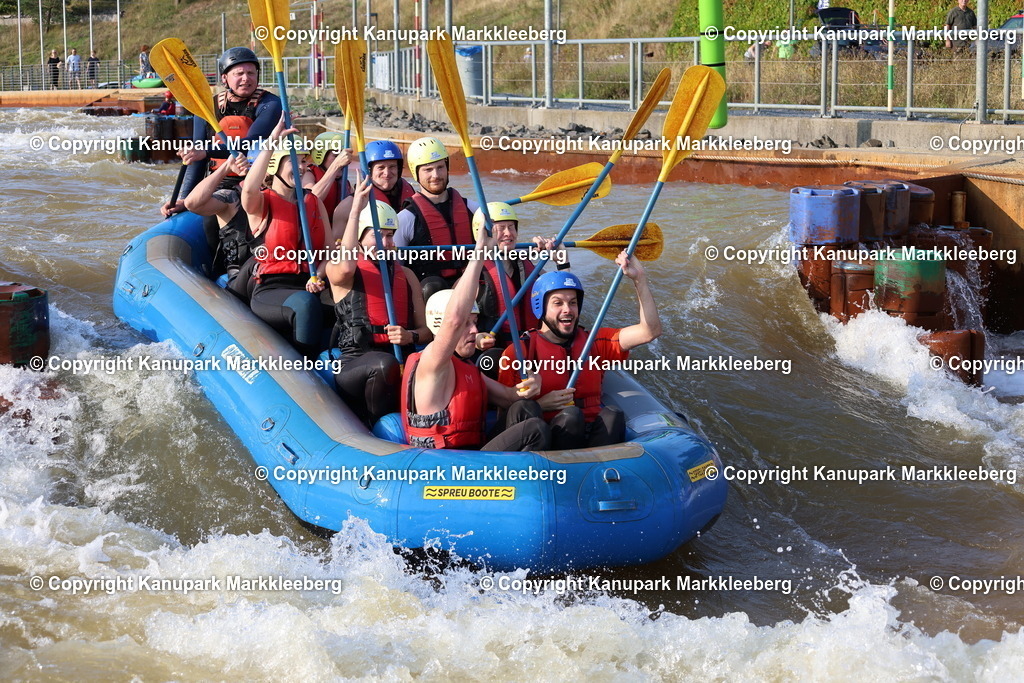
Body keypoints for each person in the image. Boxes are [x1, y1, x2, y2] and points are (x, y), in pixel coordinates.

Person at [401, 226, 550, 452]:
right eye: (466, 324)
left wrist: (533, 383)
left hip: (473, 455)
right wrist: (480, 253)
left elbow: (511, 397)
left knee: (524, 408)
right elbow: (453, 320)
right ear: (441, 326)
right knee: (535, 430)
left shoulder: (467, 369)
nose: (474, 330)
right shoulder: (432, 361)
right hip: (443, 463)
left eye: (475, 322)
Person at [498, 256, 662, 450]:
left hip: (589, 438)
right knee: (571, 417)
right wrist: (541, 405)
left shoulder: (595, 342)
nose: (568, 310)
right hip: (544, 441)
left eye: (573, 303)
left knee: (613, 415)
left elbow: (649, 331)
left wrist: (639, 279)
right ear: (540, 307)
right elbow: (506, 417)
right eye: (558, 303)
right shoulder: (519, 352)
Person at [327, 180, 431, 425]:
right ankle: (374, 428)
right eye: (377, 235)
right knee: (385, 364)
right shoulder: (342, 271)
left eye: (390, 236)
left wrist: (410, 337)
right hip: (355, 362)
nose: (385, 243)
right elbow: (345, 265)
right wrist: (355, 212)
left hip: (399, 358)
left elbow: (427, 332)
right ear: (361, 237)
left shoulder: (406, 275)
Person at [242, 120, 329, 357]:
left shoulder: (314, 202)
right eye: (293, 161)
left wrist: (317, 276)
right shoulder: (261, 202)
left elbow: (330, 252)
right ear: (274, 166)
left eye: (304, 161)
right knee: (304, 304)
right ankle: (306, 374)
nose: (302, 167)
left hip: (310, 285)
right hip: (271, 290)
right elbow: (248, 189)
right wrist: (271, 142)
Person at [162, 47, 282, 217]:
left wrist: (205, 151)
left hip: (259, 181)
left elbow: (253, 143)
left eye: (251, 73)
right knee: (206, 220)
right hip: (219, 180)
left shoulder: (270, 104)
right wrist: (184, 198)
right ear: (224, 78)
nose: (246, 79)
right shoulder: (207, 108)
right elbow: (196, 158)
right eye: (239, 73)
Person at [468, 202, 568, 377]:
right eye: (500, 228)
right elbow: (456, 325)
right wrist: (476, 339)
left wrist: (561, 262)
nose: (508, 233)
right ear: (483, 233)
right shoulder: (474, 274)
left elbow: (564, 301)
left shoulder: (528, 265)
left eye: (512, 227)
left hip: (531, 351)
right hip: (497, 356)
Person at [394, 136, 479, 301]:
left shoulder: (473, 209)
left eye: (440, 167)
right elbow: (395, 269)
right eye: (428, 170)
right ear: (416, 173)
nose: (436, 175)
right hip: (430, 296)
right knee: (432, 286)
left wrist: (534, 249)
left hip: (469, 287)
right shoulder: (405, 219)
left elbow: (504, 243)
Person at [183, 149, 256, 297]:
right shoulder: (231, 197)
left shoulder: (287, 197)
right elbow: (192, 203)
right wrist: (226, 168)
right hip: (236, 277)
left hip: (270, 274)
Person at [332, 140, 415, 231]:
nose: (387, 173)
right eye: (381, 167)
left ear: (398, 169)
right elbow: (337, 241)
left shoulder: (410, 193)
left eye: (392, 167)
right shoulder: (348, 205)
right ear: (369, 170)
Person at [307, 131, 354, 220]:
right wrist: (335, 166)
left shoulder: (345, 183)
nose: (342, 161)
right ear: (321, 156)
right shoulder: (309, 174)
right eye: (336, 156)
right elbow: (311, 199)